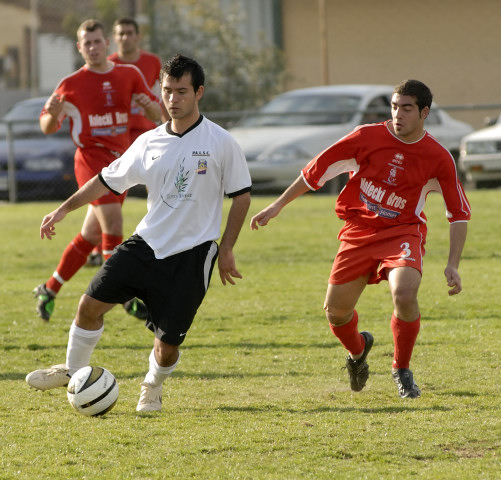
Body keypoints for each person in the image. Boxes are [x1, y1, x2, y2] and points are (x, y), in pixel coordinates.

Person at [26, 54, 252, 412]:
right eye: (167, 91)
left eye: (181, 91)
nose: (173, 99)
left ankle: (152, 385)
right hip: (145, 244)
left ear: (199, 93)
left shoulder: (221, 142)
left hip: (192, 255)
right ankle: (73, 371)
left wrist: (226, 249)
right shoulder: (149, 142)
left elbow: (241, 196)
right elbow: (106, 179)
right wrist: (64, 208)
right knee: (88, 306)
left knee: (166, 347)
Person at [250, 79, 470, 399]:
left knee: (405, 293)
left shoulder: (437, 156)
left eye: (407, 108)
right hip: (359, 233)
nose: (398, 114)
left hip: (402, 233)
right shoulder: (367, 137)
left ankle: (401, 369)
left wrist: (453, 264)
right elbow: (316, 170)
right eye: (394, 107)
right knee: (336, 313)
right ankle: (358, 351)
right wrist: (276, 205)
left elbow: (459, 213)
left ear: (424, 112)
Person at [33, 19, 161, 322]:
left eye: (97, 41)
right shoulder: (71, 84)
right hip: (90, 160)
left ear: (107, 44)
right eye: (86, 43)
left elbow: (157, 113)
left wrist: (148, 106)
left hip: (120, 161)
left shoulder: (129, 74)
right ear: (80, 48)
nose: (92, 47)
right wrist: (51, 115)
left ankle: (48, 289)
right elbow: (48, 127)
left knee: (91, 234)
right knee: (113, 225)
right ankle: (125, 297)